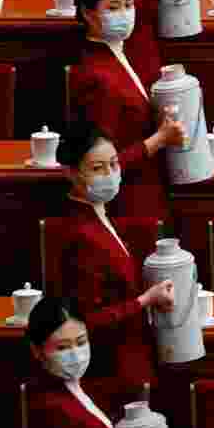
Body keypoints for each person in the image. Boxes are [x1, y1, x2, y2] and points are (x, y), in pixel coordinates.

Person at [54, 122, 175, 398]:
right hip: (112, 366)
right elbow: (87, 320)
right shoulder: (81, 235)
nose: (109, 174)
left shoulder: (99, 215)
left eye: (113, 164)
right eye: (97, 169)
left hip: (130, 351)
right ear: (71, 173)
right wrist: (145, 300)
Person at [69, 0, 185, 219]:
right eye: (113, 7)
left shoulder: (116, 52)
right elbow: (103, 162)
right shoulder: (97, 79)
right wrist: (160, 139)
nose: (124, 14)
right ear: (88, 13)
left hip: (146, 189)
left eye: (129, 5)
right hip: (128, 204)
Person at [23, 296, 115, 428]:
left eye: (81, 342)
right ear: (37, 350)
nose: (76, 356)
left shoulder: (84, 384)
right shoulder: (54, 409)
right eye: (62, 347)